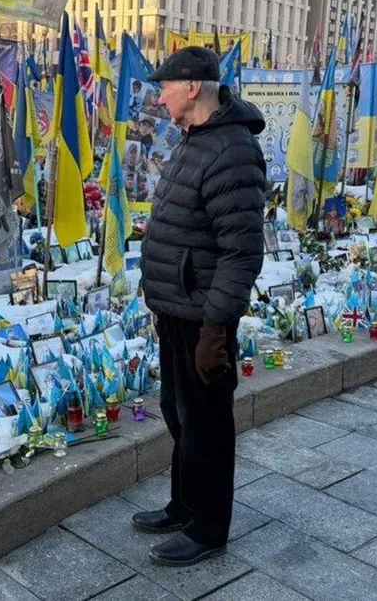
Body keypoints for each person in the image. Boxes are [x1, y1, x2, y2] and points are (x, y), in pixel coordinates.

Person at [136, 47, 266, 567]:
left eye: (166, 86)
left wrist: (216, 329)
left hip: (203, 318)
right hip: (178, 310)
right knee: (179, 413)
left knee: (206, 423)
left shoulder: (231, 149)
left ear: (192, 88)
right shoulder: (194, 138)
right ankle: (185, 505)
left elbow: (241, 252)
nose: (160, 96)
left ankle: (208, 527)